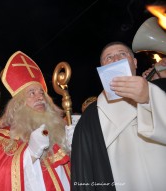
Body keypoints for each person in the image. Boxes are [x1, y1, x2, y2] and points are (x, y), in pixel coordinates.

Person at [71, 41, 166, 191]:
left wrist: (150, 97)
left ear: (134, 62)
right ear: (102, 70)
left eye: (122, 54)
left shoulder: (162, 89)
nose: (116, 59)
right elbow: (85, 173)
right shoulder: (90, 118)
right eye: (108, 57)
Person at [0, 51, 71, 191]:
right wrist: (30, 154)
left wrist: (74, 147)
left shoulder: (59, 130)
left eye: (41, 93)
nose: (40, 97)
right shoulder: (4, 136)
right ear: (19, 104)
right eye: (32, 93)